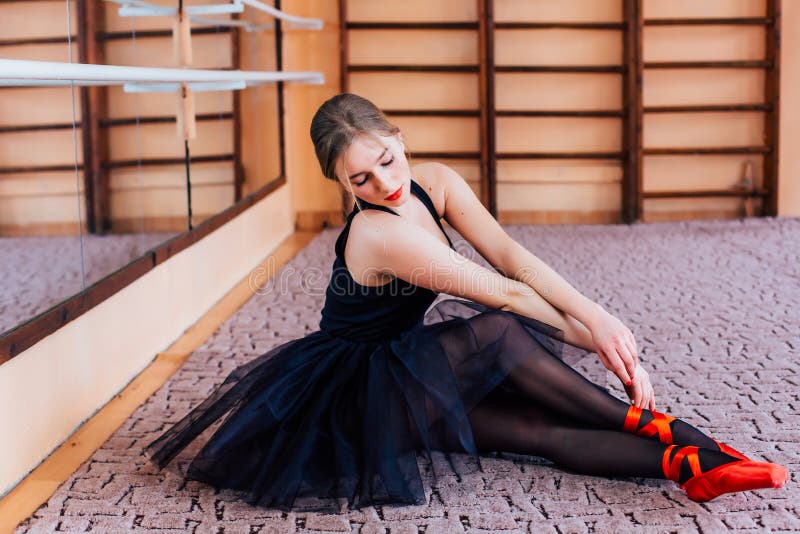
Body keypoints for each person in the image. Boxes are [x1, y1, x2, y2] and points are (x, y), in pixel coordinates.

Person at [144, 93, 787, 513]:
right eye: (360, 179)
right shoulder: (380, 232)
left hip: (407, 367)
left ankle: (697, 463)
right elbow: (503, 292)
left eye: (389, 161)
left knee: (539, 431)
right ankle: (656, 424)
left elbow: (510, 256)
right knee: (502, 332)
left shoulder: (438, 183)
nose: (386, 184)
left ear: (400, 138)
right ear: (341, 185)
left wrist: (597, 316)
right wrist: (601, 339)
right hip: (358, 396)